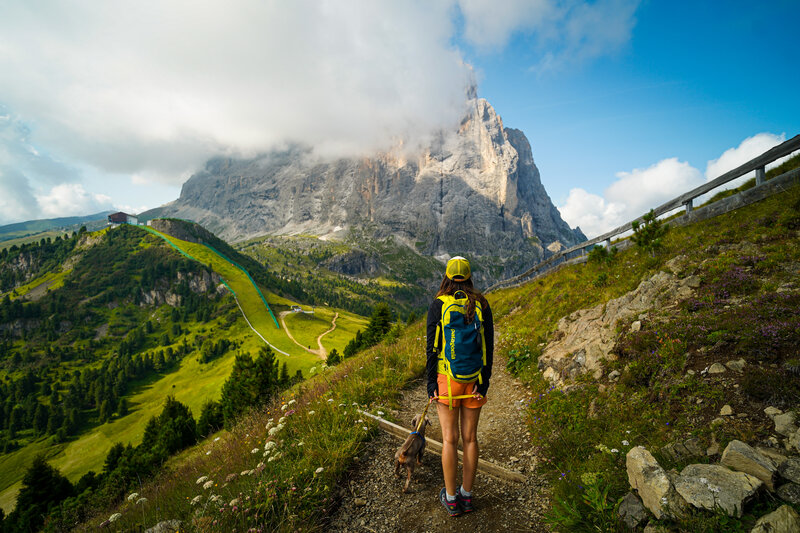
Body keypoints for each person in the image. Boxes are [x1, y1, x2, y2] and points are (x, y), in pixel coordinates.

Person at [426, 256, 494, 517]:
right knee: (470, 438)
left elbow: (431, 348)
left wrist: (431, 383)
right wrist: (484, 383)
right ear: (468, 277)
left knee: (449, 439)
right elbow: (488, 347)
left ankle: (451, 499)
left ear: (446, 276)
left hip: (447, 379)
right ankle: (467, 495)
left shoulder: (439, 304)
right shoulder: (481, 304)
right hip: (474, 380)